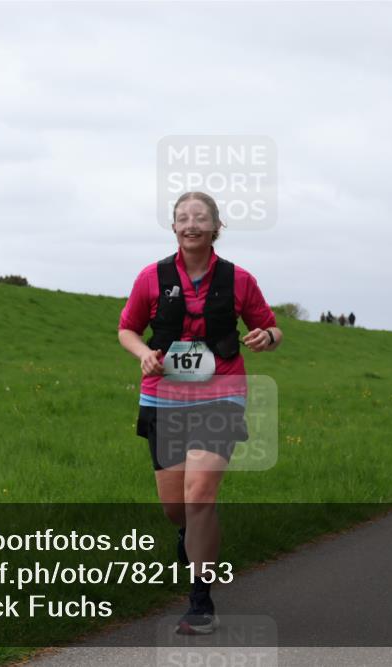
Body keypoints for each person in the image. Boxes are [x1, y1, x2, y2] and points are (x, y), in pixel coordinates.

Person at [118, 191, 283, 635]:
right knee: (177, 508)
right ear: (173, 227)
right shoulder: (151, 277)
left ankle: (200, 599)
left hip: (221, 394)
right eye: (182, 218)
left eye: (200, 218)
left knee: (200, 493)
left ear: (216, 227)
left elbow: (269, 325)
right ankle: (188, 536)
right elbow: (127, 328)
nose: (191, 224)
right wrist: (142, 354)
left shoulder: (239, 279)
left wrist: (267, 336)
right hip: (163, 397)